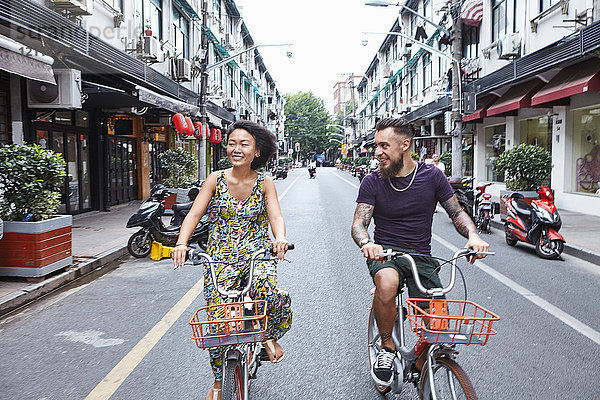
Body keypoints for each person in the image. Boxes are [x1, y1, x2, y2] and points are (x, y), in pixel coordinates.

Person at [351, 118, 489, 388]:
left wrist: (473, 235)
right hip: (385, 255)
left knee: (438, 326)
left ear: (405, 145)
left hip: (422, 258)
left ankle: (417, 361)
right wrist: (367, 242)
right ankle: (388, 348)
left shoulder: (432, 176)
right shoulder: (372, 181)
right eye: (376, 145)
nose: (377, 152)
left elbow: (456, 212)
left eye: (383, 145)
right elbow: (359, 223)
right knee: (387, 283)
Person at [172, 120, 292, 400]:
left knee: (267, 292)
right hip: (220, 258)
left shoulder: (265, 182)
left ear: (257, 151)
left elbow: (275, 216)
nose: (236, 149)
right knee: (216, 320)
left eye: (244, 144)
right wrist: (181, 243)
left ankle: (267, 335)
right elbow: (193, 214)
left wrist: (280, 239)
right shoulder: (215, 179)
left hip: (256, 255)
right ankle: (218, 380)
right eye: (232, 143)